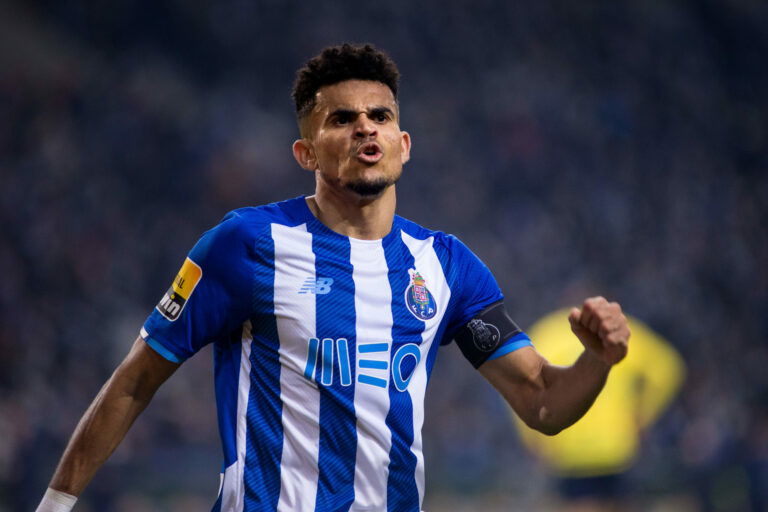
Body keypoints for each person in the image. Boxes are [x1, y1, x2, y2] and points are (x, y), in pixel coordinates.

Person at [36, 43, 631, 512]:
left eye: (380, 116)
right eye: (342, 119)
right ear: (307, 153)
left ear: (403, 143)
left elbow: (543, 403)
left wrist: (597, 361)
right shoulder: (247, 244)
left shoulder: (445, 265)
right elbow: (138, 378)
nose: (365, 128)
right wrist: (56, 504)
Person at [511, 309, 684, 511]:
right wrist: (643, 415)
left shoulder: (547, 333)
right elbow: (668, 369)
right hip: (616, 445)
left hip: (569, 448)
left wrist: (533, 437)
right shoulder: (622, 333)